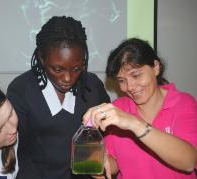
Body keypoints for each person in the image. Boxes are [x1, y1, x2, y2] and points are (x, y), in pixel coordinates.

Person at [7, 16, 110, 179]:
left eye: (76, 68)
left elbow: (108, 135)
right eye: (57, 69)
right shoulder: (22, 90)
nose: (68, 78)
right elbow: (14, 148)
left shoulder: (92, 87)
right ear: (41, 58)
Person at [83, 38, 197, 179]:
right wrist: (98, 162)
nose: (129, 87)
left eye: (136, 75)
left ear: (156, 67)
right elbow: (114, 164)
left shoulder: (182, 103)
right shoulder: (119, 108)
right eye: (121, 80)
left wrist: (134, 123)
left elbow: (189, 162)